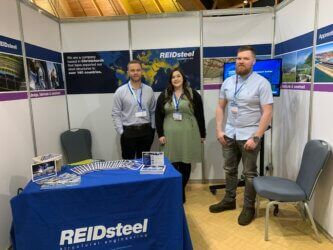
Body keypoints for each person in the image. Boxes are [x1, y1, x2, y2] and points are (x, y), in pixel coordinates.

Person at [209, 46, 273, 226]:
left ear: (253, 61)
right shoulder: (228, 82)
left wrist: (257, 137)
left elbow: (268, 112)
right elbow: (221, 107)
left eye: (245, 58)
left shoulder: (262, 83)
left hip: (249, 136)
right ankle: (229, 200)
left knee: (249, 174)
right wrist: (219, 130)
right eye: (238, 58)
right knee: (229, 169)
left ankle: (248, 207)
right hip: (229, 134)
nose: (241, 62)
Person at [155, 68, 206, 203]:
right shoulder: (164, 95)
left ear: (183, 78)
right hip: (169, 134)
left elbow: (200, 114)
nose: (176, 79)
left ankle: (180, 190)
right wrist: (160, 134)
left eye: (178, 76)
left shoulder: (192, 94)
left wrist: (202, 134)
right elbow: (158, 116)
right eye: (173, 77)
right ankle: (175, 189)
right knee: (171, 163)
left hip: (188, 133)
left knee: (185, 162)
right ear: (170, 80)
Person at [112, 60, 156, 159]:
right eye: (132, 70)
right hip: (128, 133)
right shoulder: (120, 91)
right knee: (129, 165)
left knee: (144, 164)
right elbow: (116, 113)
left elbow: (153, 111)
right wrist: (121, 132)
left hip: (146, 132)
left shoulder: (149, 90)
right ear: (128, 72)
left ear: (142, 72)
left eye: (138, 70)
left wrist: (152, 129)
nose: (135, 73)